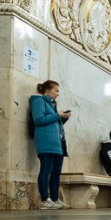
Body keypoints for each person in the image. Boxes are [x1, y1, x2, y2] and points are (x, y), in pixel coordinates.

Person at [29, 79, 71, 210]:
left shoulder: (52, 104)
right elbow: (39, 119)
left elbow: (54, 123)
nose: (58, 93)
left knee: (56, 173)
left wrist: (63, 118)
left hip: (58, 144)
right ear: (48, 90)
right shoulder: (38, 100)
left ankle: (55, 199)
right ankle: (44, 200)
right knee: (46, 171)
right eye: (56, 90)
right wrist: (57, 115)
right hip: (46, 142)